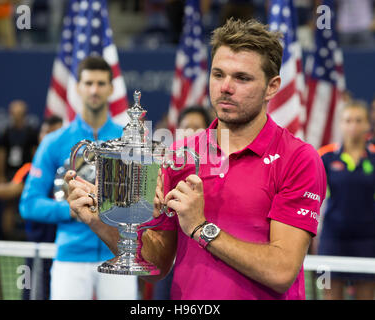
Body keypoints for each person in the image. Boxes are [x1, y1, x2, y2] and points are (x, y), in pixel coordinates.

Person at [65, 18, 327, 300]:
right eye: (218, 74)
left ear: (272, 86)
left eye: (242, 78)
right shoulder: (179, 155)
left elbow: (281, 272)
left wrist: (201, 229)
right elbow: (157, 265)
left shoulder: (299, 159)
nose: (226, 87)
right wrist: (99, 220)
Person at [19, 56, 138, 300]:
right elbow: (29, 204)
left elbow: (141, 203)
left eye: (101, 83)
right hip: (70, 256)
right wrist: (72, 211)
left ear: (111, 88)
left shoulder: (129, 142)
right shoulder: (54, 142)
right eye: (89, 83)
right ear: (78, 88)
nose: (94, 90)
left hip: (118, 254)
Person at [0, 115, 63, 300]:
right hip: (37, 247)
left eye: (56, 133)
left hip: (63, 248)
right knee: (32, 292)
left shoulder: (72, 169)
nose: (50, 138)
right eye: (46, 133)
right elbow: (12, 188)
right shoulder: (31, 169)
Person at [317, 101, 375, 300]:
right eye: (348, 120)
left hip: (367, 241)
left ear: (367, 124)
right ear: (340, 124)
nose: (353, 125)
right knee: (329, 296)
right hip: (331, 240)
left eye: (358, 120)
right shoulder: (325, 156)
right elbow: (313, 201)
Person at [152, 105, 212, 300]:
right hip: (166, 264)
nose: (191, 134)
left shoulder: (217, 172)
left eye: (197, 128)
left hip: (201, 266)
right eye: (186, 128)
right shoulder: (164, 168)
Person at [0, 99, 39, 240]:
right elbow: (0, 156)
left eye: (20, 113)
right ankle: (8, 237)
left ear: (24, 115)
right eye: (14, 113)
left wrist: (34, 176)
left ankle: (28, 235)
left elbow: (35, 155)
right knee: (9, 205)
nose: (17, 116)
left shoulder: (31, 133)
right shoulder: (6, 134)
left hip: (26, 175)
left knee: (27, 205)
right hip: (10, 174)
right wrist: (0, 177)